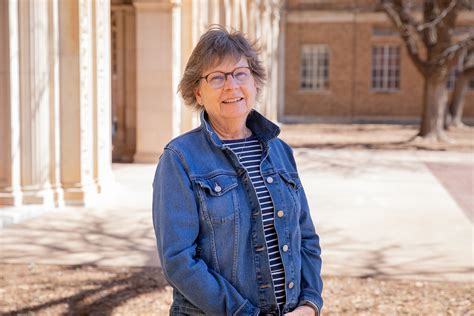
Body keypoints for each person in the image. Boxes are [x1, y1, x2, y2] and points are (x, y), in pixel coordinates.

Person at [152, 25, 323, 316]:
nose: (231, 86)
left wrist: (309, 303)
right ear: (199, 92)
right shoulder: (180, 159)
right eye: (216, 77)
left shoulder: (281, 152)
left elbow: (305, 237)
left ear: (255, 82)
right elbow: (179, 260)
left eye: (240, 74)